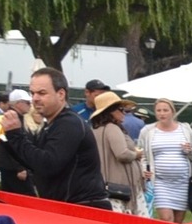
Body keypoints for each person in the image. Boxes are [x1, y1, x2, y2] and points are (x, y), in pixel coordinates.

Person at [8, 69, 109, 208]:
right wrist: (9, 136)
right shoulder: (52, 124)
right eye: (32, 93)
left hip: (83, 209)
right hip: (67, 207)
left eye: (42, 93)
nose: (35, 98)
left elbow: (47, 165)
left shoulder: (69, 123)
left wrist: (15, 135)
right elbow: (32, 161)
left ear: (61, 94)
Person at [141, 98, 192, 222]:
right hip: (160, 182)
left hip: (182, 182)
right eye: (158, 110)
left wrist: (190, 151)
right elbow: (142, 155)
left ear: (173, 112)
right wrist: (143, 170)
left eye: (165, 110)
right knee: (166, 219)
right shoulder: (147, 131)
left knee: (178, 223)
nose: (162, 113)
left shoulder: (185, 129)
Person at [89, 92, 146, 215]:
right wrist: (136, 155)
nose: (124, 112)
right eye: (120, 109)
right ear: (110, 112)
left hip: (108, 183)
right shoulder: (112, 128)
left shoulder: (96, 129)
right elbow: (122, 154)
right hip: (120, 185)